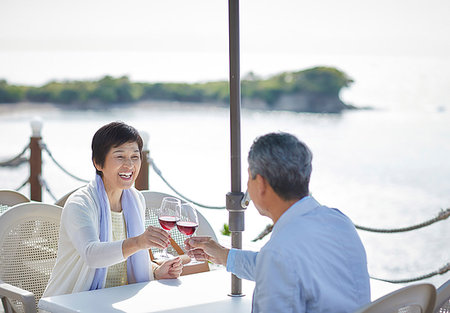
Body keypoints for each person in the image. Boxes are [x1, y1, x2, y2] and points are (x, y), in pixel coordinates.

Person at [185, 132, 371, 313]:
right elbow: (280, 268)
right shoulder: (339, 222)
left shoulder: (279, 253)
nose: (247, 187)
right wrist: (224, 255)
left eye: (249, 177)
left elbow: (278, 265)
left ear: (262, 184)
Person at [44, 121, 183, 297]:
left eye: (135, 156)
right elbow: (92, 255)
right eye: (120, 157)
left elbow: (125, 261)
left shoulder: (136, 199)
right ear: (98, 163)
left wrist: (156, 271)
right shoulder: (80, 203)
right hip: (70, 302)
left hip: (119, 299)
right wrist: (139, 242)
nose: (129, 165)